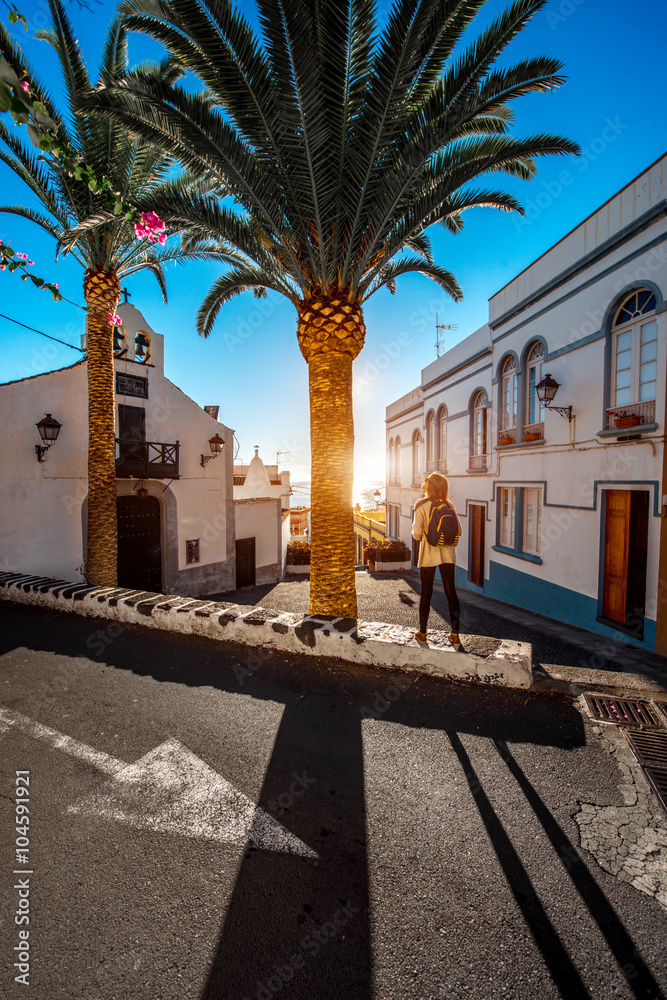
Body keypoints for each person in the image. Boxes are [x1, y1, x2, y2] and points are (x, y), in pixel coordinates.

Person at [411, 472, 462, 647]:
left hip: (428, 555)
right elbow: (459, 531)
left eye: (427, 480)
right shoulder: (449, 505)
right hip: (448, 555)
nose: (424, 482)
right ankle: (455, 634)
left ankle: (422, 633)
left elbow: (417, 534)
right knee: (450, 592)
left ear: (430, 486)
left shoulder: (421, 504)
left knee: (426, 593)